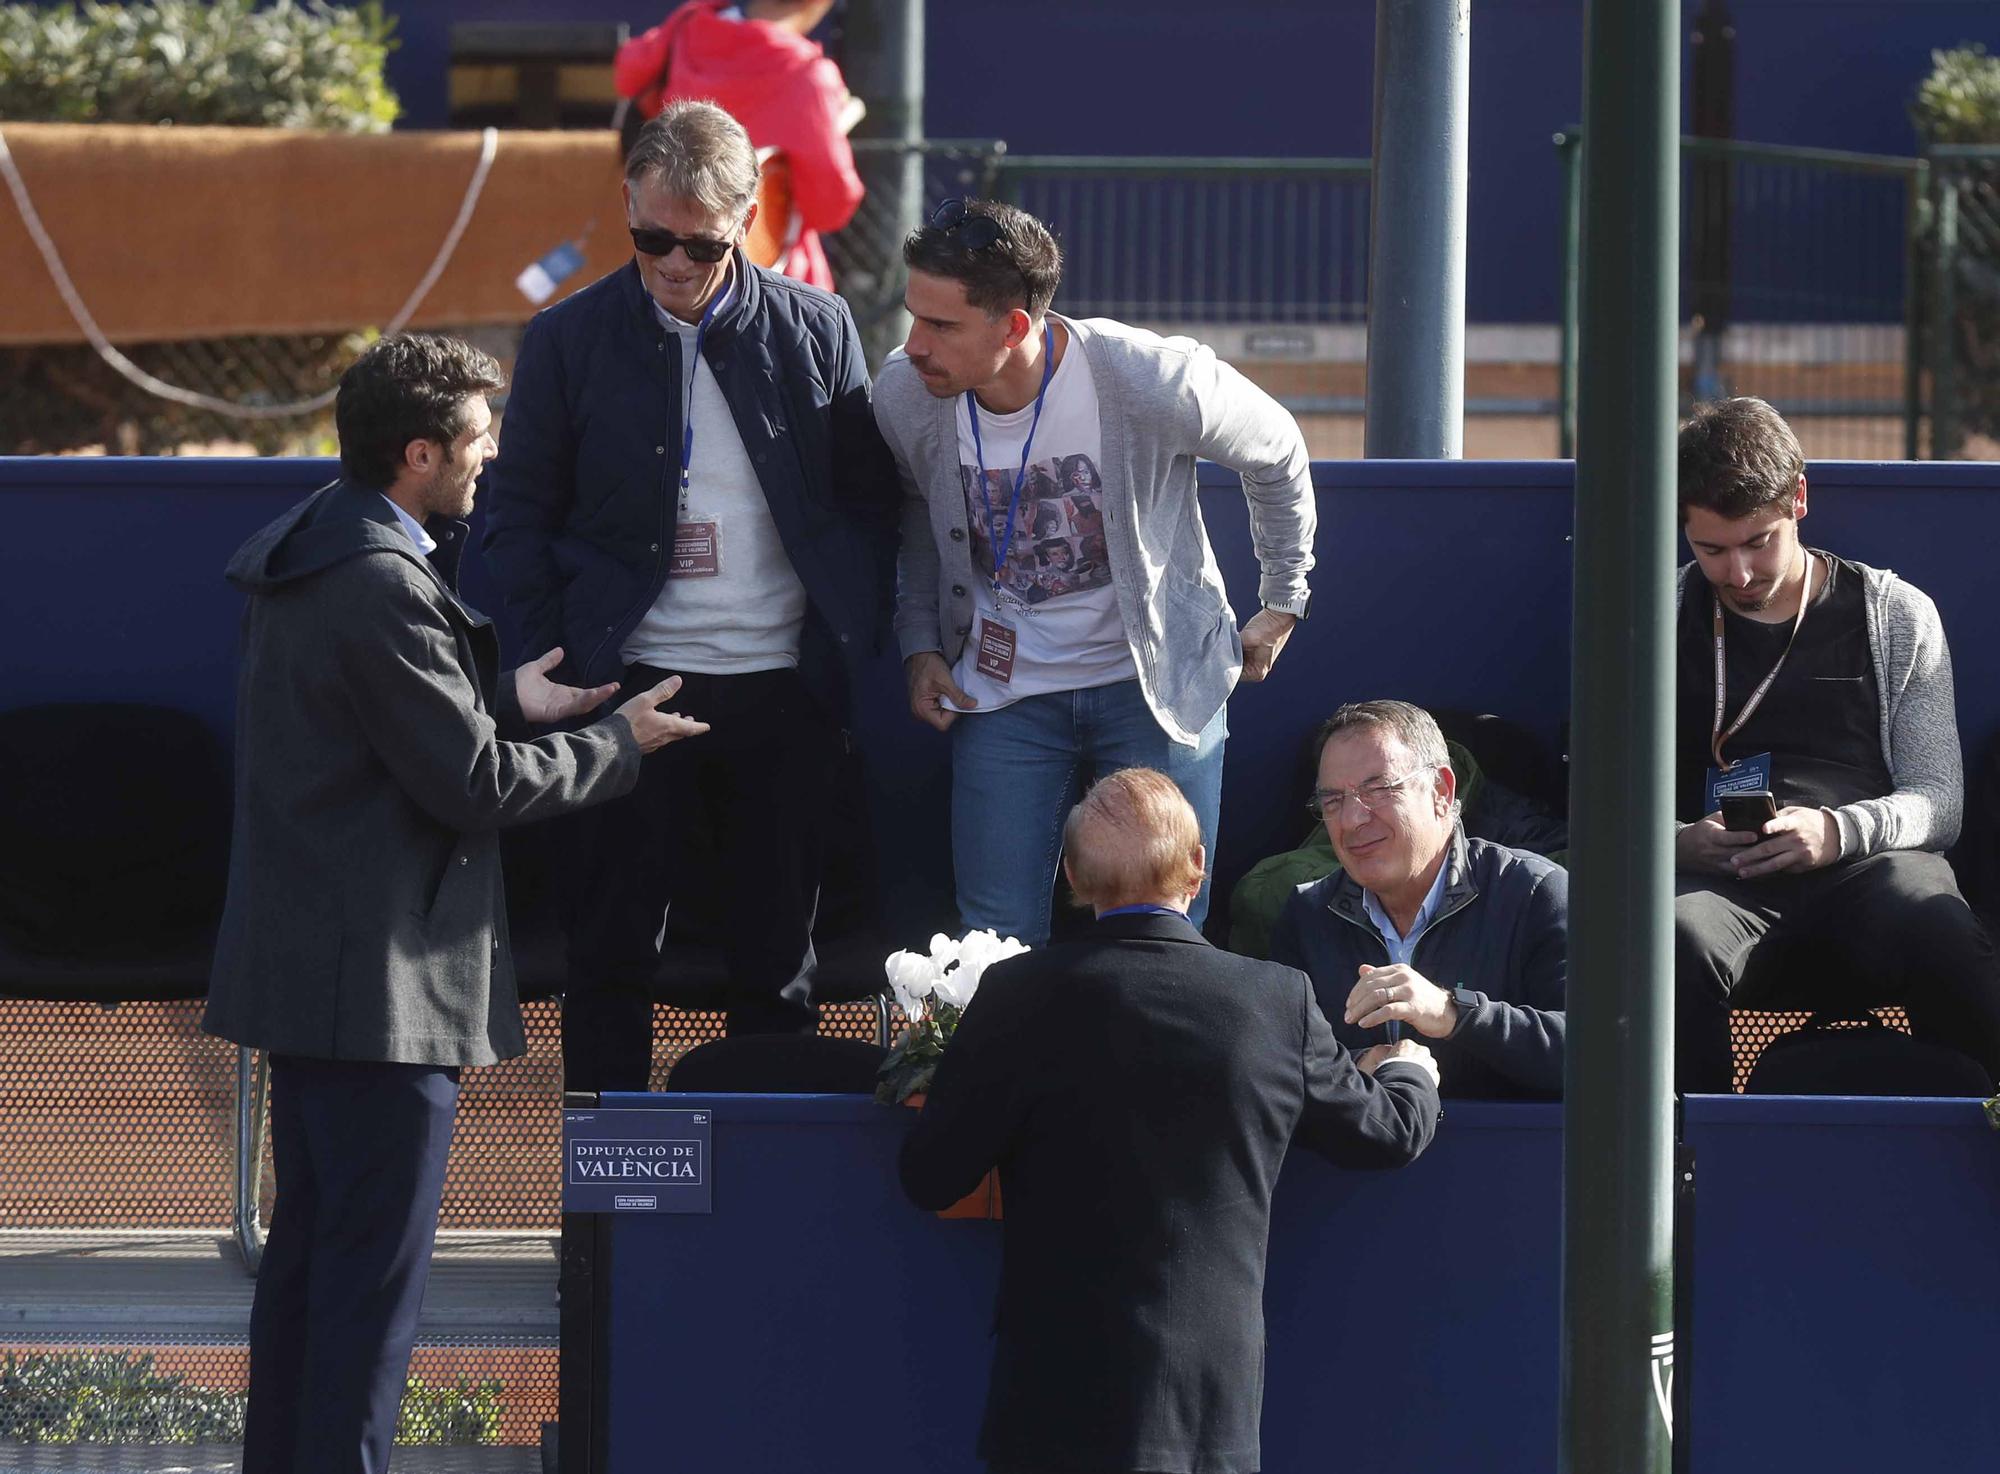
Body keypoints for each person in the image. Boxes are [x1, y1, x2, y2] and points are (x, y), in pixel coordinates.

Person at [203, 334, 706, 1474]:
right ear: (418, 453)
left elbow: (385, 721)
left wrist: (502, 694)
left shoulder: (324, 548)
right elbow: (471, 782)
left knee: (313, 1267)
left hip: (325, 982)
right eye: (478, 439)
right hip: (380, 994)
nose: (492, 456)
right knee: (367, 1295)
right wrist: (613, 743)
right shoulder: (380, 581)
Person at [483, 101, 898, 1084]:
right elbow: (518, 516)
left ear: (746, 218)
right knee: (611, 948)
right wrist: (563, 664)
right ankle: (606, 1227)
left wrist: (846, 640)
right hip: (623, 686)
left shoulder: (816, 326)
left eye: (699, 244)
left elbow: (865, 503)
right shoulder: (567, 339)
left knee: (776, 957)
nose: (672, 261)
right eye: (649, 236)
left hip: (777, 686)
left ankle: (767, 1198)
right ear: (626, 204)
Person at [901, 768, 1440, 1474]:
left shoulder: (1015, 996)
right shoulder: (1275, 1001)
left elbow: (933, 1176)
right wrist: (1409, 1070)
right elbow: (1387, 1133)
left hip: (1049, 1405)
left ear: (1072, 877)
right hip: (1205, 1409)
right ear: (1197, 867)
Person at [876, 197, 1316, 945]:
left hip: (1156, 689)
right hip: (1003, 697)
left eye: (941, 325)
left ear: (1015, 326)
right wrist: (920, 644)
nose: (914, 345)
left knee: (1164, 935)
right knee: (993, 943)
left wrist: (1283, 597)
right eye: (912, 316)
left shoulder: (1150, 379)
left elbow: (1277, 449)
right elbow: (918, 515)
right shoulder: (906, 394)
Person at [1672, 397, 2000, 1091]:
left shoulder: (1892, 612)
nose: (1739, 575)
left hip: (1865, 868)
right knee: (1669, 940)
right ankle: (1686, 1166)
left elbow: (1940, 801)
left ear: (1798, 499)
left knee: (1933, 918)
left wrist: (1837, 830)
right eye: (1712, 550)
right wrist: (1678, 842)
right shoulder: (1654, 617)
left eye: (1759, 541)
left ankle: (1981, 1122)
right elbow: (1599, 801)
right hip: (1716, 883)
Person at [1268, 701, 1568, 1100]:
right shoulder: (1308, 915)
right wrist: (1356, 1068)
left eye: (1378, 789)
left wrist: (1453, 1014)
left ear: (1442, 791)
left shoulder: (1535, 892)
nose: (1352, 819)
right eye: (1334, 801)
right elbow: (1275, 1066)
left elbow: (1604, 1056)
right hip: (1362, 1161)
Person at [613, 0, 862, 291]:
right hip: (773, 276)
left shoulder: (688, 28)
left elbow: (629, 71)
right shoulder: (809, 75)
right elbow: (830, 205)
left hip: (669, 264)